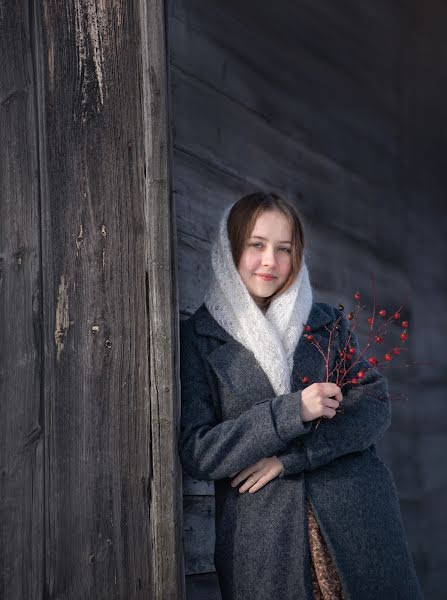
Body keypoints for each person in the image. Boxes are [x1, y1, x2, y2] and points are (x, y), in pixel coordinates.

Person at [178, 192, 423, 600]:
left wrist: (292, 458)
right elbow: (199, 451)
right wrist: (292, 411)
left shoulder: (325, 323)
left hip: (358, 523)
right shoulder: (201, 338)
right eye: (256, 245)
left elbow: (374, 406)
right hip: (264, 544)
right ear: (230, 248)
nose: (270, 261)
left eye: (284, 249)